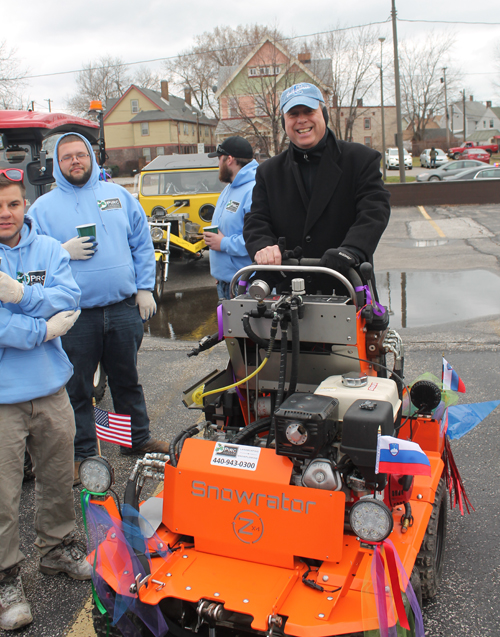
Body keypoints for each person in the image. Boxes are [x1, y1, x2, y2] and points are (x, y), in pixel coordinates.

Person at [29, 133, 169, 483]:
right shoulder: (43, 208)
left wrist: (144, 288)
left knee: (127, 380)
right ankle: (84, 454)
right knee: (77, 389)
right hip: (74, 316)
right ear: (56, 164)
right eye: (67, 158)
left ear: (91, 157)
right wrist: (62, 250)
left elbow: (141, 242)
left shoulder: (118, 196)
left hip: (123, 308)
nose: (75, 162)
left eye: (80, 155)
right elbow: (28, 258)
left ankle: (133, 439)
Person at [0, 171, 90, 631]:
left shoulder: (50, 250)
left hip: (51, 388)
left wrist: (19, 294)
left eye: (13, 204)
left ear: (24, 206)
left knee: (57, 477)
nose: (5, 213)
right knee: (3, 493)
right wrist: (41, 328)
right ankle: (6, 578)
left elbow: (68, 299)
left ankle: (56, 550)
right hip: (2, 400)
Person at [243, 83, 390, 291]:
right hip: (290, 296)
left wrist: (352, 250)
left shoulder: (360, 159)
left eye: (308, 111)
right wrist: (263, 246)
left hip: (348, 287)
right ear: (284, 122)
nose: (301, 120)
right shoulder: (269, 171)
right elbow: (256, 218)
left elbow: (375, 211)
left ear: (323, 114)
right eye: (293, 114)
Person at [204, 137, 258, 301]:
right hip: (226, 282)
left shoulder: (253, 190)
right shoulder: (229, 188)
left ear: (229, 160)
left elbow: (257, 240)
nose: (217, 165)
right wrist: (220, 271)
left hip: (244, 284)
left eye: (219, 160)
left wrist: (223, 243)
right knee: (225, 327)